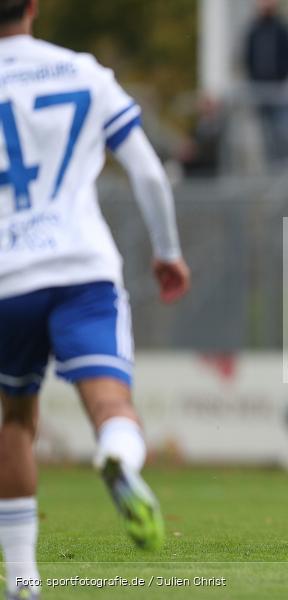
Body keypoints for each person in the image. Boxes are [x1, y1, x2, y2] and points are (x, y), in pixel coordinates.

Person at [0, 1, 190, 597]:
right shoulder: (82, 72)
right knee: (111, 405)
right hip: (82, 268)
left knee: (14, 419)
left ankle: (24, 581)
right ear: (33, 6)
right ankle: (117, 457)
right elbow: (149, 173)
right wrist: (167, 252)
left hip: (8, 276)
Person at [244, 0, 288, 166]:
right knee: (267, 134)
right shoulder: (254, 31)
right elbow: (248, 58)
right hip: (261, 90)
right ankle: (273, 169)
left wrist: (283, 78)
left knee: (285, 132)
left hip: (280, 90)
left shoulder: (283, 29)